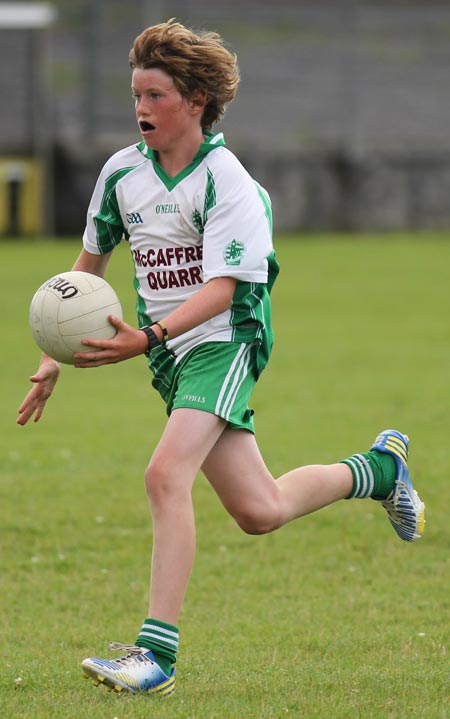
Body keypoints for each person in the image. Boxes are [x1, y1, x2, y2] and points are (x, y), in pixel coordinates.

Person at [17, 19, 425, 697]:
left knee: (162, 475)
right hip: (173, 354)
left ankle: (156, 656)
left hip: (226, 336)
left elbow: (226, 288)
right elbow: (86, 270)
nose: (142, 108)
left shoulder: (224, 179)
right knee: (258, 509)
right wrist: (54, 353)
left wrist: (146, 337)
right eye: (136, 94)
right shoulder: (122, 173)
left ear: (196, 100)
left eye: (156, 94)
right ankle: (380, 468)